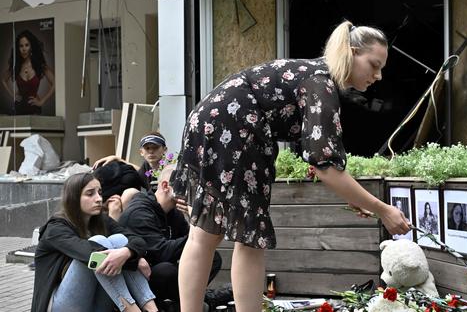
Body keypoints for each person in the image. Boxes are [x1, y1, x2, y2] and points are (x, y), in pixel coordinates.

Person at [172, 20, 410, 312]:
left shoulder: (313, 74)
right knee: (249, 239)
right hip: (236, 128)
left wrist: (356, 197)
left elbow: (313, 155)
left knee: (204, 235)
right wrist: (382, 209)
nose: (378, 75)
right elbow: (326, 165)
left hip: (209, 120)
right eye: (374, 64)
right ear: (352, 52)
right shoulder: (320, 83)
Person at [31, 172, 158, 312]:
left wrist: (129, 252)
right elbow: (89, 253)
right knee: (99, 245)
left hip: (95, 302)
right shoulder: (55, 228)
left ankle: (151, 308)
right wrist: (134, 258)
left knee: (119, 240)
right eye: (90, 194)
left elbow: (137, 240)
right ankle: (131, 308)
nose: (98, 199)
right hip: (60, 305)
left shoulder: (101, 220)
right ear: (73, 197)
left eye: (99, 192)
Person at [118, 164, 225, 309]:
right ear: (166, 186)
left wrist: (193, 220)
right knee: (166, 270)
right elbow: (162, 252)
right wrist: (200, 236)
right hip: (142, 276)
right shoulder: (140, 212)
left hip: (165, 268)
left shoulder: (173, 213)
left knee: (211, 257)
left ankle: (188, 300)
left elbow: (192, 245)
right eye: (185, 186)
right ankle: (191, 301)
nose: (191, 192)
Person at [2, 30, 55, 115]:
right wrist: (13, 95)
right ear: (18, 48)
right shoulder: (16, 66)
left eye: (26, 45)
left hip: (35, 110)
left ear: (31, 46)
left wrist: (42, 101)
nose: (24, 49)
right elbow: (3, 80)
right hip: (18, 110)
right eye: (21, 46)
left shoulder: (39, 65)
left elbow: (54, 83)